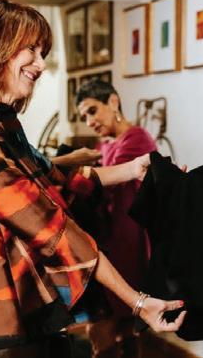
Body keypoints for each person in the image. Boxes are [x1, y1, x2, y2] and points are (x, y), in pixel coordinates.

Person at [0, 0, 184, 357]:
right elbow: (54, 229)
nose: (40, 63)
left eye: (42, 52)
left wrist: (133, 168)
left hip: (25, 307)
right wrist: (138, 301)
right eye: (31, 50)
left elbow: (54, 177)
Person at [75, 80, 157, 357]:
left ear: (112, 101)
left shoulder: (137, 139)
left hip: (129, 244)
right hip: (111, 241)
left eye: (92, 111)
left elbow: (104, 186)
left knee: (105, 331)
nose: (89, 122)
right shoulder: (107, 145)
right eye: (84, 117)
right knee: (120, 329)